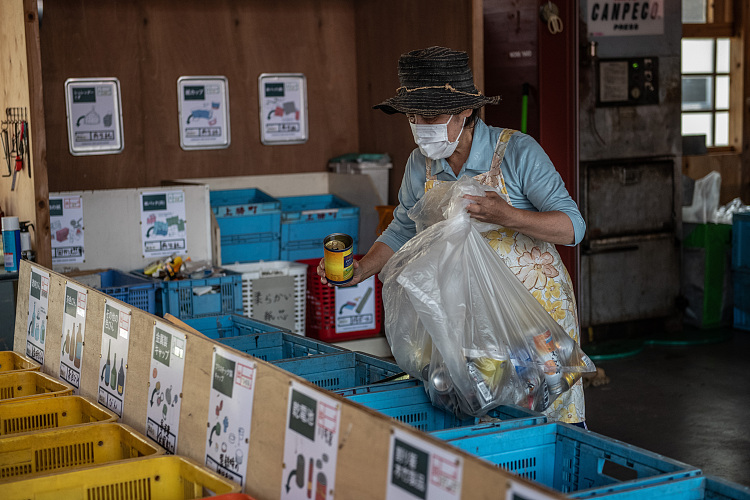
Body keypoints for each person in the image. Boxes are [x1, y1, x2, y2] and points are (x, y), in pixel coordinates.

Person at [318, 46, 587, 426]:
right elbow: (401, 228)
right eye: (412, 116)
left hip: (530, 315)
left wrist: (506, 215)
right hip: (466, 317)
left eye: (430, 115)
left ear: (466, 110)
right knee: (481, 418)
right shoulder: (420, 164)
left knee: (546, 422)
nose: (419, 125)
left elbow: (572, 227)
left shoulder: (516, 152)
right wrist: (361, 269)